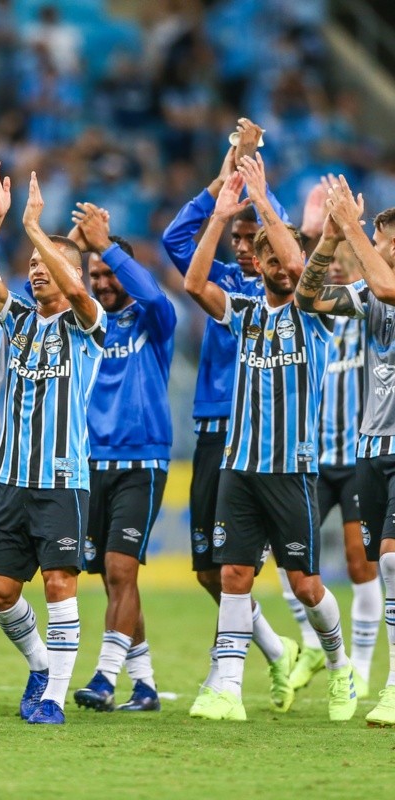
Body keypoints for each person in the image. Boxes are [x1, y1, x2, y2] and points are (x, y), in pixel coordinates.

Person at [184, 159, 355, 722]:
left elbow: (305, 265)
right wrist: (222, 215)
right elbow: (192, 281)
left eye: (288, 260)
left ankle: (340, 668)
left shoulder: (313, 312)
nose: (285, 267)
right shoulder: (245, 312)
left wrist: (260, 196)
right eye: (272, 259)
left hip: (291, 470)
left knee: (306, 585)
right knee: (234, 576)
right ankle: (227, 688)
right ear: (257, 265)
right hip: (239, 466)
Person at [163, 121, 299, 713]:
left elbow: (291, 244)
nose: (243, 247)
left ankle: (236, 673)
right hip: (212, 430)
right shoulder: (218, 279)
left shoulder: (286, 290)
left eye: (252, 237)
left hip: (261, 437)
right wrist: (229, 166)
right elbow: (177, 239)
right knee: (208, 570)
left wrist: (256, 189)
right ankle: (276, 651)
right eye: (237, 238)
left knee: (241, 564)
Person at [0, 164, 105, 725]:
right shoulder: (19, 321)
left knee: (58, 583)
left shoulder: (89, 324)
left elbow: (76, 287)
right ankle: (42, 664)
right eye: (32, 265)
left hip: (62, 479)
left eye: (46, 264)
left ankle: (53, 700)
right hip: (11, 479)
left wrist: (35, 228)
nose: (36, 271)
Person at [293, 179, 395, 727]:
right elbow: (309, 298)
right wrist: (330, 240)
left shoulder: (386, 287)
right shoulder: (369, 295)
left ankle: (389, 682)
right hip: (366, 448)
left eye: (380, 244)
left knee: (388, 561)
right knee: (378, 564)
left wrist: (350, 227)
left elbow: (388, 288)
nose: (372, 253)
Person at [70, 203, 175, 713]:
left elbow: (153, 291)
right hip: (91, 464)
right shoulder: (86, 323)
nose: (104, 283)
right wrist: (74, 250)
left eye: (111, 272)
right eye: (96, 276)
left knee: (119, 571)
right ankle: (146, 685)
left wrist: (104, 242)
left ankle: (105, 678)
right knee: (117, 577)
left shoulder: (153, 320)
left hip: (142, 462)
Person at [281, 222, 381, 698]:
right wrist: (323, 234)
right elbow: (300, 274)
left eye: (345, 262)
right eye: (331, 260)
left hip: (357, 458)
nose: (337, 266)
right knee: (289, 556)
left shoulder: (366, 316)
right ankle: (310, 643)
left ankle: (360, 667)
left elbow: (368, 274)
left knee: (364, 565)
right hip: (313, 461)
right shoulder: (309, 319)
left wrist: (351, 238)